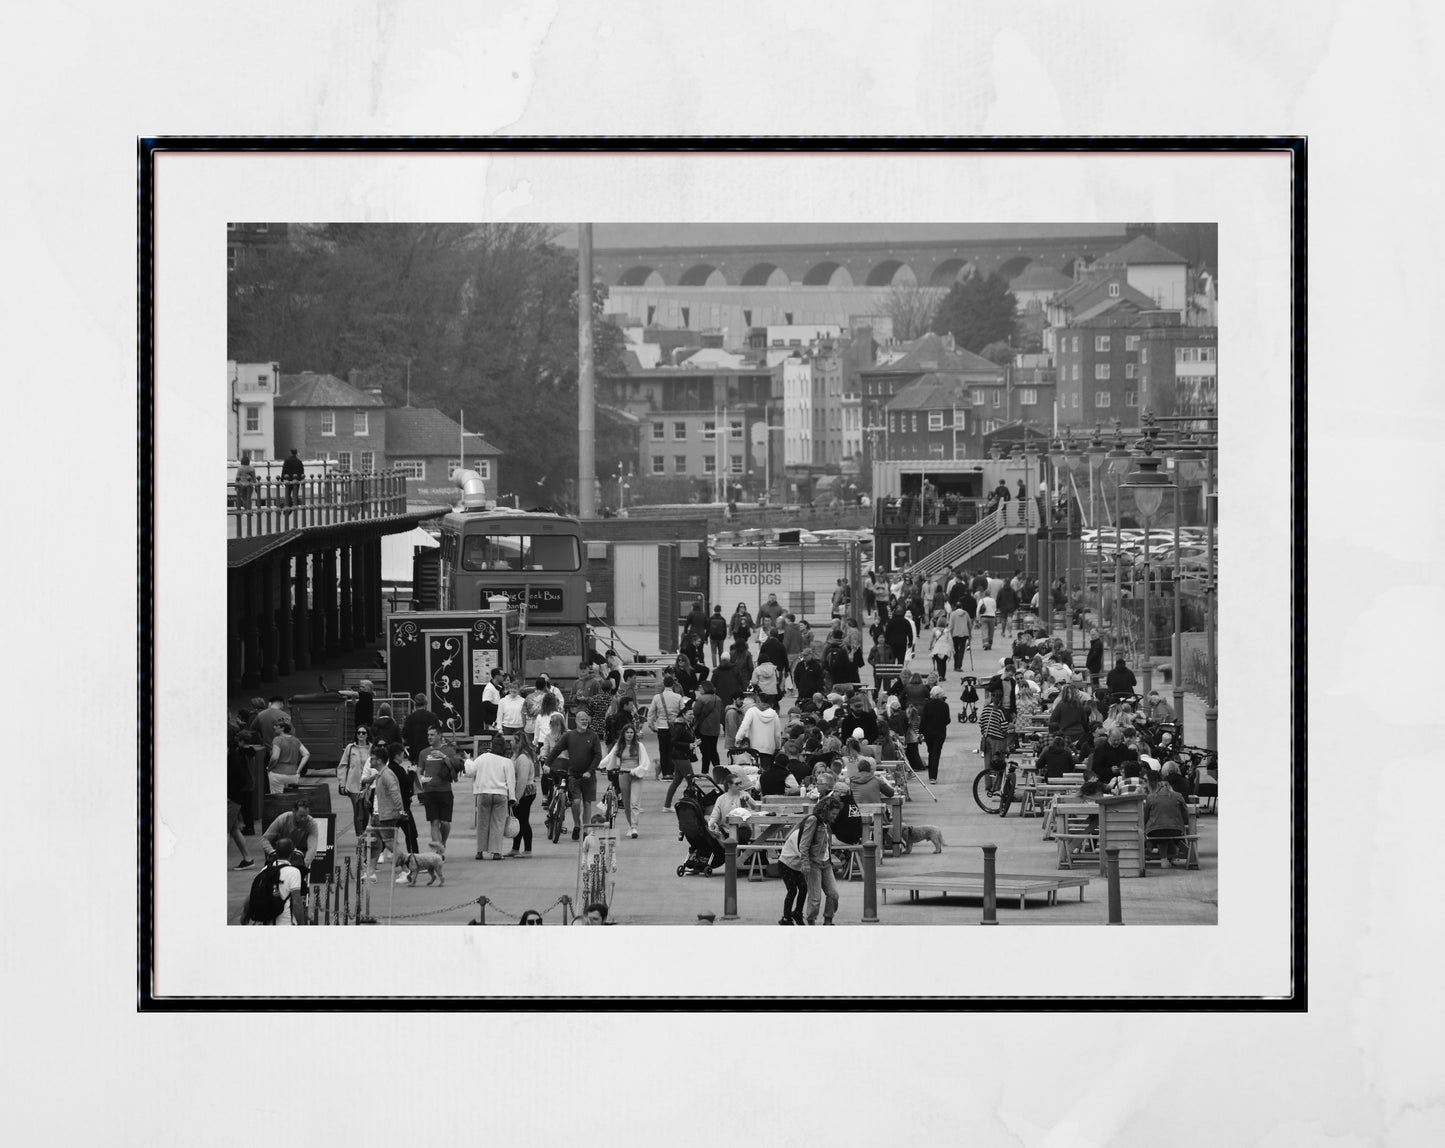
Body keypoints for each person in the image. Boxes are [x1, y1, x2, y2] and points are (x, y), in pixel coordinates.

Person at [545, 707, 603, 840]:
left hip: (588, 776)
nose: (584, 722)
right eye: (582, 720)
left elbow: (597, 756)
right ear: (576, 721)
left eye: (586, 720)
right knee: (576, 802)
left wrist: (590, 771)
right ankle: (577, 825)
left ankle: (586, 829)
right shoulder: (569, 736)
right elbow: (557, 749)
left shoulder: (593, 736)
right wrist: (547, 763)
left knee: (587, 803)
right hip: (574, 776)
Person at [464, 733, 515, 861]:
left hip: (484, 793)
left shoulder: (483, 757)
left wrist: (468, 760)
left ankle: (480, 851)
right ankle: (496, 852)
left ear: (492, 746)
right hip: (500, 794)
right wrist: (512, 798)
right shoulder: (507, 761)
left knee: (482, 823)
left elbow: (470, 772)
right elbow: (511, 781)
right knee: (498, 823)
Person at [415, 725, 462, 853]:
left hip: (445, 791)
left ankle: (443, 842)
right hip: (429, 791)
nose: (429, 737)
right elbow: (419, 771)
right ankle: (438, 852)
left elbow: (455, 767)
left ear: (439, 735)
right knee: (434, 822)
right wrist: (418, 787)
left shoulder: (449, 751)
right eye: (428, 735)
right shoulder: (423, 753)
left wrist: (443, 756)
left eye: (432, 734)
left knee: (445, 823)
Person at [799, 794, 843, 925]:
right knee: (815, 897)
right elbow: (804, 844)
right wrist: (805, 862)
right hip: (814, 863)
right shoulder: (813, 820)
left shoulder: (826, 823)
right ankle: (811, 921)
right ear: (826, 810)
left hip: (826, 863)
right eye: (833, 813)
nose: (835, 816)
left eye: (836, 814)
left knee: (833, 894)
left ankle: (828, 919)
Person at [243, 835, 307, 925]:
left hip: (267, 921)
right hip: (286, 922)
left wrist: (245, 914)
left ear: (276, 852)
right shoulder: (294, 872)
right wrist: (302, 924)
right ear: (292, 853)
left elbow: (254, 893)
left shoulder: (265, 869)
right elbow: (297, 902)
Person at [600, 723, 650, 838]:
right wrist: (600, 765)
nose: (629, 735)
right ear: (623, 734)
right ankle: (630, 825)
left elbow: (645, 762)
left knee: (634, 803)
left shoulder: (639, 746)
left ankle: (634, 827)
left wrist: (636, 770)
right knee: (626, 804)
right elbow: (610, 756)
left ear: (634, 734)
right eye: (627, 732)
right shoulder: (619, 745)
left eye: (631, 732)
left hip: (636, 775)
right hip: (623, 775)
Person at [362, 744, 404, 880]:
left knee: (390, 843)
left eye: (373, 759)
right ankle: (371, 872)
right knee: (375, 844)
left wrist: (400, 810)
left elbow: (395, 792)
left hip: (385, 815)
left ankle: (407, 869)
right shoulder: (380, 774)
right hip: (377, 813)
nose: (370, 761)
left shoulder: (386, 774)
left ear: (379, 760)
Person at [261, 798, 319, 884]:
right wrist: (271, 852)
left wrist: (304, 865)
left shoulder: (311, 824)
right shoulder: (282, 819)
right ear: (294, 811)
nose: (304, 819)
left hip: (299, 856)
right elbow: (265, 838)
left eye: (306, 816)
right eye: (301, 816)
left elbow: (312, 848)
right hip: (280, 854)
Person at [1144, 773, 1190, 865]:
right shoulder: (1178, 795)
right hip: (1176, 829)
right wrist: (1184, 824)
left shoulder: (1150, 797)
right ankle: (1177, 856)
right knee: (1171, 834)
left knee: (1155, 833)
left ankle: (1153, 850)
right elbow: (1185, 813)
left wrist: (1145, 826)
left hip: (1155, 831)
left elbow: (1146, 816)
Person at [647, 673, 687, 780]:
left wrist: (651, 725)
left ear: (664, 685)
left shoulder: (657, 697)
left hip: (662, 727)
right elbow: (683, 712)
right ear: (673, 685)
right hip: (675, 727)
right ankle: (671, 771)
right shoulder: (678, 697)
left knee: (663, 751)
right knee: (673, 750)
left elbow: (651, 713)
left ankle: (665, 773)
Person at [336, 726, 373, 841]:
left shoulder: (372, 748)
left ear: (367, 734)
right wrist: (342, 783)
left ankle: (364, 831)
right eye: (359, 733)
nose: (361, 735)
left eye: (363, 733)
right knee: (358, 811)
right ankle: (359, 836)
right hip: (353, 785)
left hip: (367, 785)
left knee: (366, 811)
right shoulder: (350, 748)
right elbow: (342, 766)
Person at [227, 728, 256, 869]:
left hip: (232, 797)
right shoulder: (242, 754)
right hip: (239, 794)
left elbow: (235, 778)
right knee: (233, 830)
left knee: (225, 830)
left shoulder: (235, 757)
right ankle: (247, 858)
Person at [734, 691, 782, 770]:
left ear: (759, 701)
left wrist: (738, 740)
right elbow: (777, 734)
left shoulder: (751, 711)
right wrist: (778, 747)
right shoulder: (774, 714)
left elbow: (744, 727)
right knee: (765, 772)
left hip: (753, 749)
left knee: (753, 771)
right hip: (768, 749)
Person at [507, 735, 537, 858]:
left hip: (525, 792)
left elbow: (522, 779)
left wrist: (516, 797)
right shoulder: (517, 756)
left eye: (512, 740)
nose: (510, 742)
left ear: (519, 743)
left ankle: (528, 850)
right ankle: (515, 848)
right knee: (518, 820)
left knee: (523, 820)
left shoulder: (523, 758)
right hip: (522, 791)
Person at [707, 773, 761, 841]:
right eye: (737, 783)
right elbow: (714, 816)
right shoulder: (721, 799)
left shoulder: (744, 794)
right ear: (729, 785)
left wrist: (748, 800)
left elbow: (755, 808)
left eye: (740, 783)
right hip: (726, 830)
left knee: (740, 837)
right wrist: (711, 824)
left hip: (742, 829)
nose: (740, 785)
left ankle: (743, 850)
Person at [266, 719, 310, 795]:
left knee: (277, 798)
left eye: (277, 725)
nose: (274, 727)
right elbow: (306, 754)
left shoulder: (277, 739)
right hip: (293, 775)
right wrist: (298, 770)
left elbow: (275, 757)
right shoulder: (296, 740)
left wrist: (269, 768)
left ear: (282, 728)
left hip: (278, 774)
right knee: (291, 799)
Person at [919, 684, 952, 783]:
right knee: (936, 754)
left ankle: (930, 776)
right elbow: (947, 720)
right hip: (940, 733)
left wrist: (920, 732)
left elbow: (923, 719)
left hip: (928, 733)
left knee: (931, 752)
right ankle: (933, 777)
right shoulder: (945, 706)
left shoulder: (927, 705)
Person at [692, 680, 723, 777]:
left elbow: (695, 712)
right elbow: (721, 712)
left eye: (701, 687)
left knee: (705, 751)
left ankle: (704, 771)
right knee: (713, 750)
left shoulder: (701, 699)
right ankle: (719, 770)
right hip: (715, 729)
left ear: (705, 688)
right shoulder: (718, 699)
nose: (699, 689)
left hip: (703, 728)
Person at [402, 693, 440, 764]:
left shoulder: (409, 718)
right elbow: (439, 734)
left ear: (415, 704)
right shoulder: (433, 717)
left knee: (416, 773)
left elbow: (404, 734)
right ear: (426, 703)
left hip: (415, 753)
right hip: (430, 753)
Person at [928, 612, 951, 681]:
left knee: (938, 663)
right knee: (943, 663)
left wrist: (930, 646)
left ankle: (940, 675)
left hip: (937, 648)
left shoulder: (935, 630)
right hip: (945, 649)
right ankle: (943, 676)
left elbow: (932, 639)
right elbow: (950, 640)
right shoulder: (947, 631)